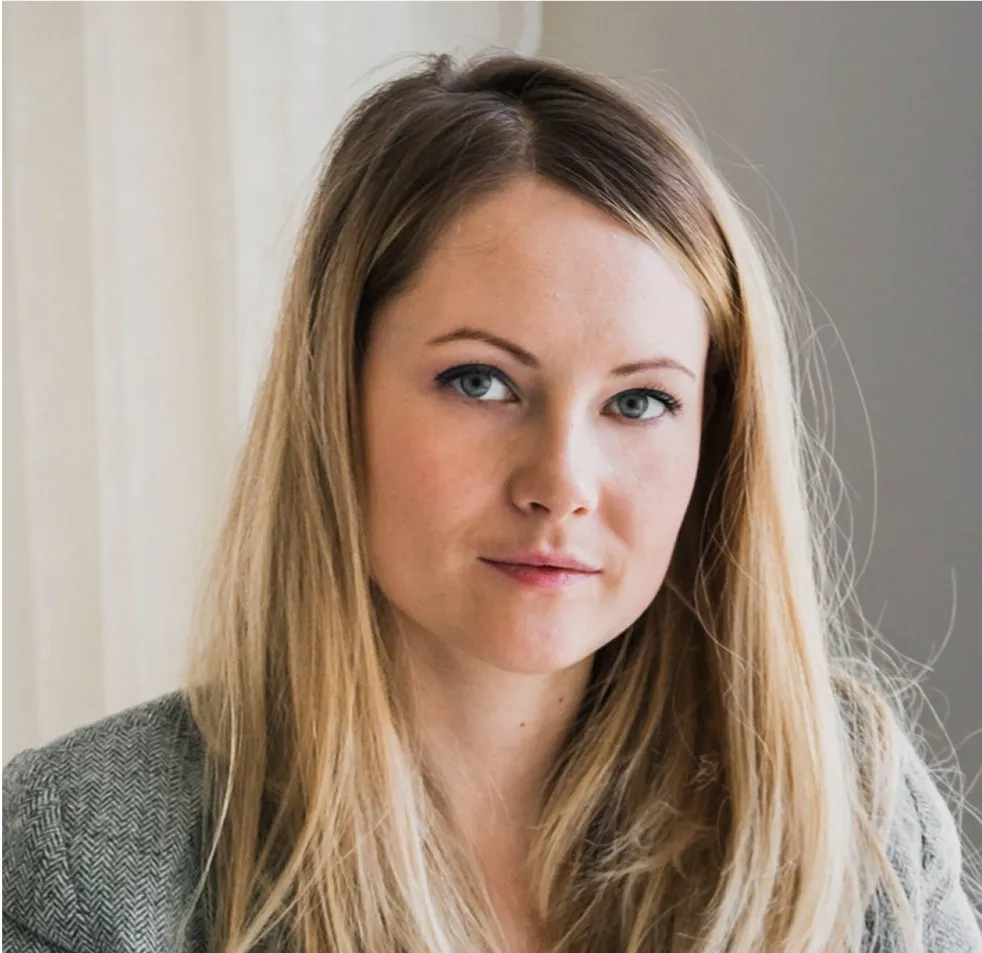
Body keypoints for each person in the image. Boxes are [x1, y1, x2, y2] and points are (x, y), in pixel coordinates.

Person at [3, 51, 980, 953]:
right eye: (481, 381)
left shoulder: (852, 806)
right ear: (333, 394)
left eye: (640, 401)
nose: (561, 482)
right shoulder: (87, 859)